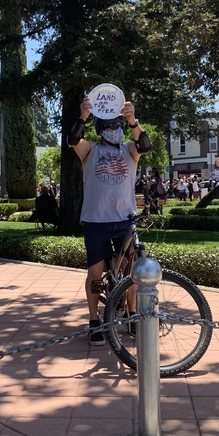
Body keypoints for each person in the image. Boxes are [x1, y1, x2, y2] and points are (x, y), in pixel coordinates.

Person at [68, 95, 152, 345]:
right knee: (95, 273)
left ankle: (132, 313)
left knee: (131, 271)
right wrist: (83, 116)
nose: (114, 130)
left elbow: (145, 146)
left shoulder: (128, 149)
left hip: (124, 220)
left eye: (117, 126)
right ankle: (94, 320)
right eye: (108, 127)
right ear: (100, 131)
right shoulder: (90, 151)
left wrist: (132, 120)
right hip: (96, 221)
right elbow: (73, 140)